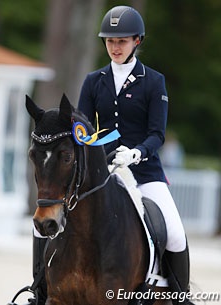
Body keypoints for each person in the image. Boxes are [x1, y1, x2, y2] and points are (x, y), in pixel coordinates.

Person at [78, 5, 193, 304]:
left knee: (176, 234)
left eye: (122, 41)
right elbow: (85, 129)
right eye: (110, 41)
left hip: (144, 172)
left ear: (136, 41)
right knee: (56, 221)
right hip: (104, 171)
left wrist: (137, 153)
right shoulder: (93, 81)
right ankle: (40, 290)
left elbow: (157, 134)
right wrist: (95, 153)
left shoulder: (154, 81)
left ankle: (180, 297)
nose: (115, 47)